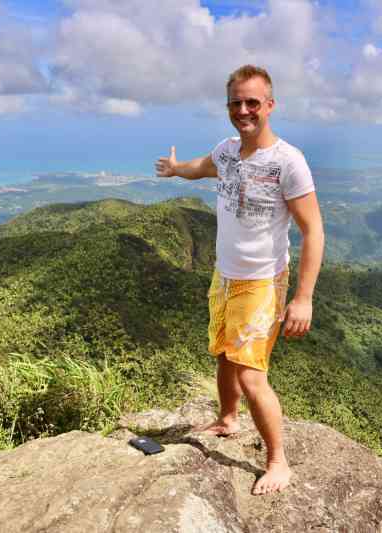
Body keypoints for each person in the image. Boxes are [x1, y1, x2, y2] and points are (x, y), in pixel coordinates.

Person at [154, 65, 324, 495]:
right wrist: (176, 169)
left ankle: (278, 461)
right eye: (236, 102)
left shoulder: (288, 162)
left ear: (270, 105)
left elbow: (314, 231)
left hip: (263, 283)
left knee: (251, 375)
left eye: (252, 102)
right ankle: (228, 419)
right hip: (225, 275)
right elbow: (204, 166)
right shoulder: (228, 151)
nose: (243, 110)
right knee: (224, 355)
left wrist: (303, 298)